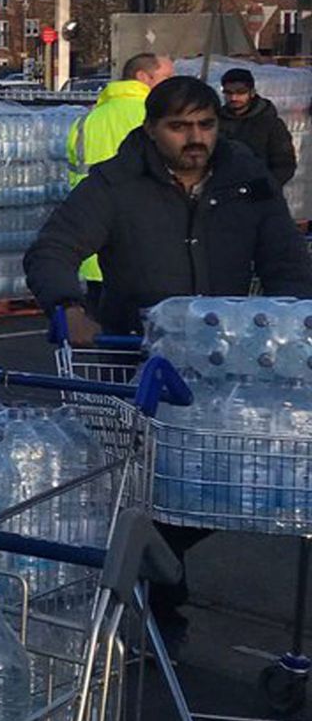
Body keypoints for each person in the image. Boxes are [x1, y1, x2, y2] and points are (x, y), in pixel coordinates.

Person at [25, 75, 312, 630]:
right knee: (140, 489)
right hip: (136, 361)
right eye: (180, 127)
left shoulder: (247, 181)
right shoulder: (115, 183)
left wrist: (292, 326)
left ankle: (160, 571)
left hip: (224, 369)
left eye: (205, 124)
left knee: (224, 489)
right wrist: (68, 304)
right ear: (152, 129)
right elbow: (52, 250)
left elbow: (285, 262)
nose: (195, 137)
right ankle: (159, 606)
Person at [63, 52, 173, 300]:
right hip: (150, 248)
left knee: (102, 328)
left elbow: (73, 177)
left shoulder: (86, 121)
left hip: (94, 247)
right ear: (143, 77)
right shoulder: (159, 119)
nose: (173, 84)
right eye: (167, 77)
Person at [219, 66, 299, 189]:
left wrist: (265, 187)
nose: (234, 98)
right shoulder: (217, 121)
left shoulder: (270, 124)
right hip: (222, 192)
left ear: (252, 92)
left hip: (259, 193)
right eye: (228, 93)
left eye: (240, 92)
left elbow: (285, 164)